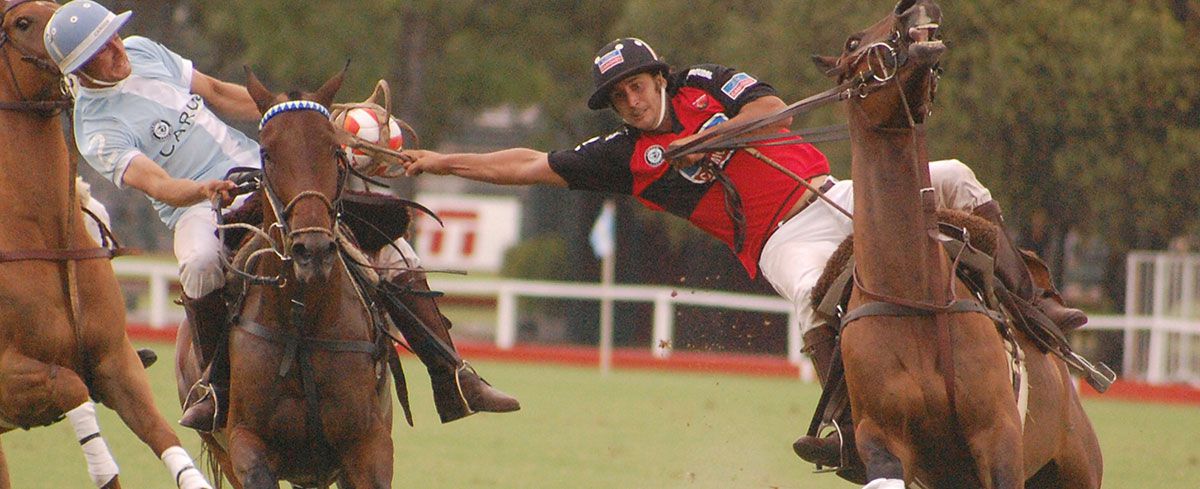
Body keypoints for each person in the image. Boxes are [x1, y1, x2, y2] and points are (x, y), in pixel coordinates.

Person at [403, 37, 1087, 467]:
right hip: (779, 238)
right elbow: (526, 163)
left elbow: (777, 112)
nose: (633, 100)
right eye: (619, 97)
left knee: (959, 175)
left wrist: (707, 140)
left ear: (659, 77)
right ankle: (851, 430)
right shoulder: (623, 156)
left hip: (833, 189)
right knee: (812, 295)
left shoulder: (707, 82)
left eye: (638, 85)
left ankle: (1037, 303)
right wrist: (436, 158)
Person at [45, 0, 517, 433]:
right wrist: (200, 189)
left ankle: (453, 375)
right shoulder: (95, 127)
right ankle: (214, 387)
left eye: (112, 37)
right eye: (99, 51)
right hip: (198, 206)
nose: (115, 50)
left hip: (262, 170)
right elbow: (156, 183)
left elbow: (215, 91)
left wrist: (300, 118)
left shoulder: (142, 50)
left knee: (388, 242)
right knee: (200, 265)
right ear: (80, 72)